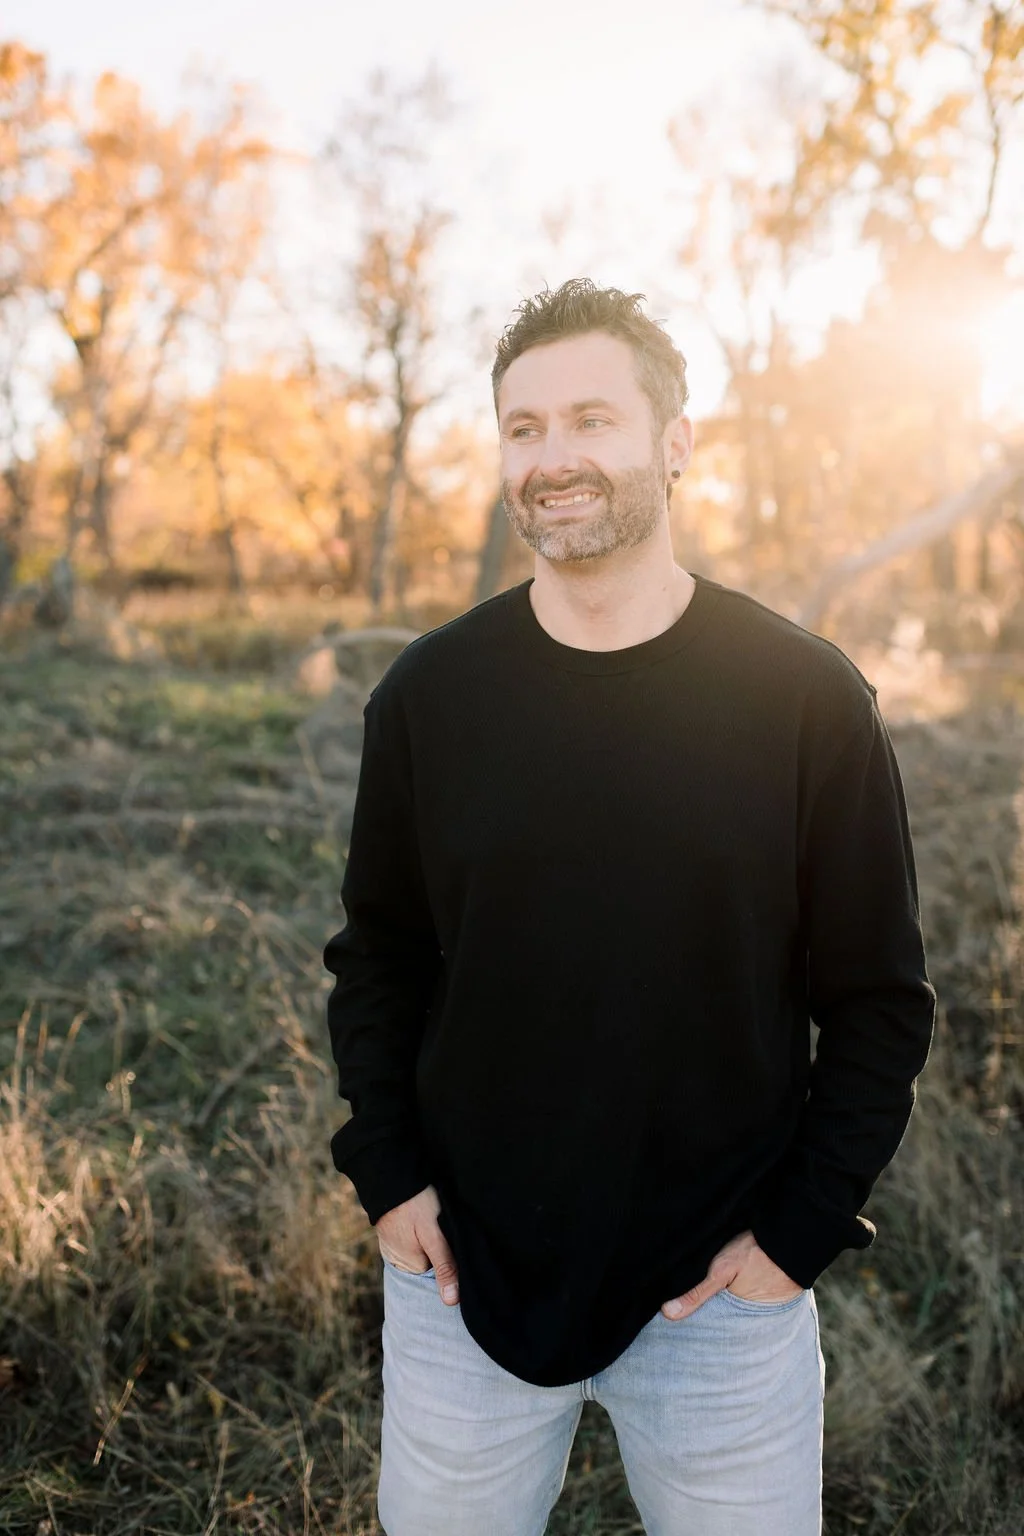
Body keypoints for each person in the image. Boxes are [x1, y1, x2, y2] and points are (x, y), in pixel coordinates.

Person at [323, 278, 936, 1536]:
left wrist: (797, 1236)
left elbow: (878, 999)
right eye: (523, 428)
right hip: (461, 1282)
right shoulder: (429, 699)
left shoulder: (806, 701)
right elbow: (377, 958)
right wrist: (387, 1182)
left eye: (590, 420)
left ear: (672, 441)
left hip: (721, 1295)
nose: (553, 460)